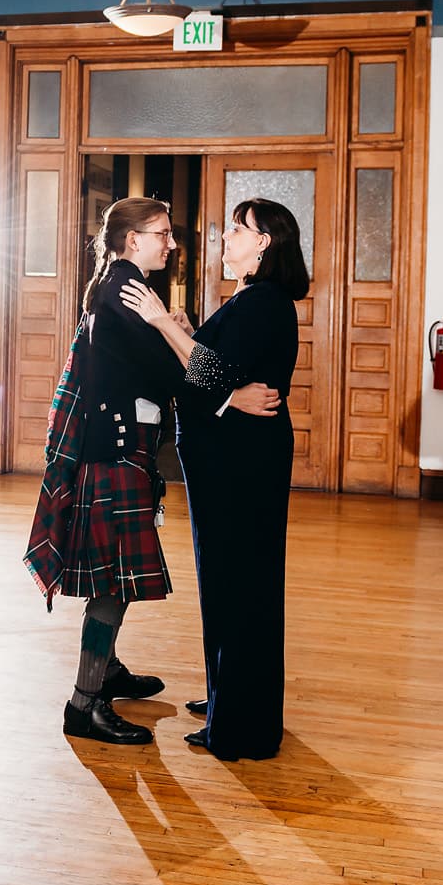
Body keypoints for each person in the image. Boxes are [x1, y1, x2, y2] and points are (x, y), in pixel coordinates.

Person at [121, 197, 304, 760]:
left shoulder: (264, 301)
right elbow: (225, 369)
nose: (226, 237)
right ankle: (233, 695)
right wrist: (189, 331)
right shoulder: (251, 299)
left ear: (263, 242)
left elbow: (215, 373)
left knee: (238, 582)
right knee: (231, 580)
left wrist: (160, 322)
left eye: (236, 230)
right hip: (232, 459)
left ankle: (242, 725)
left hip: (241, 464)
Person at [23, 198, 189, 746]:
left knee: (114, 576)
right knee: (112, 583)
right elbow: (172, 374)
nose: (171, 243)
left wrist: (170, 327)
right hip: (112, 456)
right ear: (131, 238)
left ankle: (107, 671)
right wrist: (174, 333)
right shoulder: (127, 290)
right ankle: (84, 702)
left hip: (122, 449)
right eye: (161, 233)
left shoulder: (125, 284)